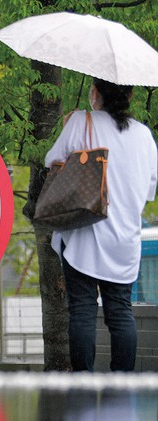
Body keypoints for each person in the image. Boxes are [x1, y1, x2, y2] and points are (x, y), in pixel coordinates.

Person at [46, 79, 157, 372]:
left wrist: (69, 127)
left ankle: (83, 382)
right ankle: (122, 384)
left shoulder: (82, 122)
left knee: (82, 311)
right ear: (131, 95)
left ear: (95, 93)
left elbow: (51, 162)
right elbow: (148, 191)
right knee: (120, 312)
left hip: (85, 234)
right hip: (125, 241)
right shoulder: (144, 136)